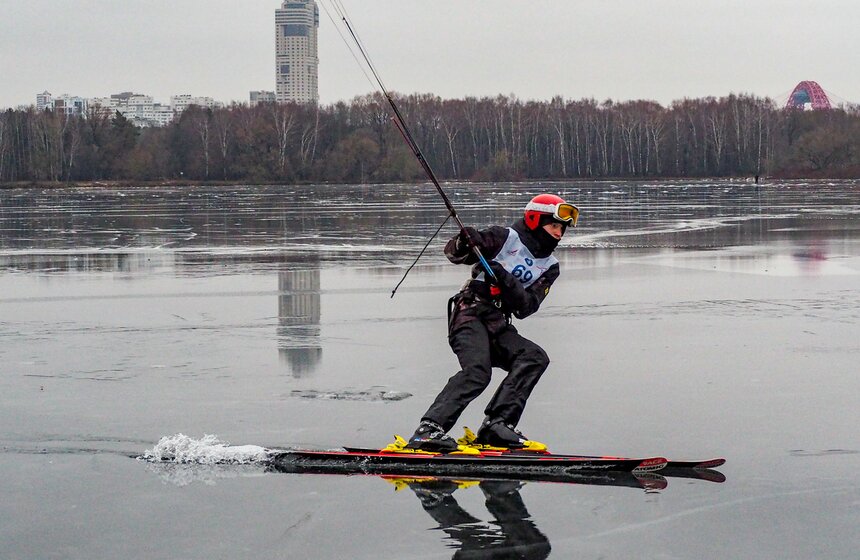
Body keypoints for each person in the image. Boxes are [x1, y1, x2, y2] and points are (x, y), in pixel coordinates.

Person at [406, 194, 579, 452]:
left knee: (533, 357)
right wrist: (464, 242)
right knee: (478, 372)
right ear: (534, 220)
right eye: (554, 226)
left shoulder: (549, 267)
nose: (558, 234)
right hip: (469, 313)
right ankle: (428, 430)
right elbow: (455, 254)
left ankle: (497, 425)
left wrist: (506, 280)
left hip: (499, 322)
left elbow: (526, 307)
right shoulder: (504, 238)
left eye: (562, 229)